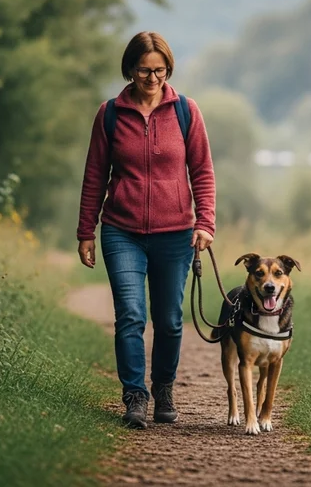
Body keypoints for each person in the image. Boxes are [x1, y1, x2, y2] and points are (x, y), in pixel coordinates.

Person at [76, 31, 216, 429]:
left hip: (175, 234)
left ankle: (164, 387)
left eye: (160, 70)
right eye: (144, 70)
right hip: (122, 231)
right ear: (130, 70)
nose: (153, 78)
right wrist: (86, 230)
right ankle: (135, 396)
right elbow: (94, 176)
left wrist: (205, 223)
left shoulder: (186, 112)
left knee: (170, 319)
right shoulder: (110, 114)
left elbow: (202, 172)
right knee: (131, 315)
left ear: (168, 69)